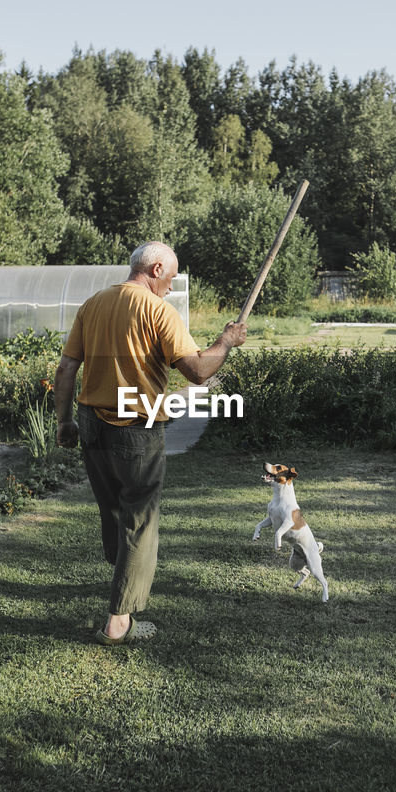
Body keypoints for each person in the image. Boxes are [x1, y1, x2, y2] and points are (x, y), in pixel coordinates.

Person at [54, 241, 246, 645]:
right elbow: (197, 371)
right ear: (156, 269)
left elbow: (68, 365)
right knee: (139, 521)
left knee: (114, 510)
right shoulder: (158, 311)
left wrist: (65, 420)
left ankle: (122, 579)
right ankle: (119, 621)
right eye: (171, 277)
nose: (171, 287)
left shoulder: (94, 304)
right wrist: (226, 342)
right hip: (134, 430)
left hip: (91, 424)